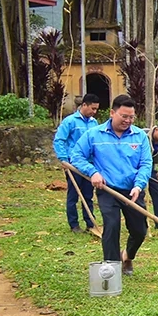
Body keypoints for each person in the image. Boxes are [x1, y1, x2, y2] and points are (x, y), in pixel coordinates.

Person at [70, 95, 152, 276]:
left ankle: (127, 257)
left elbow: (146, 164)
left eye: (131, 117)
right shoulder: (94, 134)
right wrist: (93, 172)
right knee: (112, 226)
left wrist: (138, 186)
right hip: (107, 190)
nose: (128, 121)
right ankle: (112, 271)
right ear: (112, 113)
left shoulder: (140, 137)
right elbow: (76, 156)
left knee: (140, 230)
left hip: (133, 191)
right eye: (124, 116)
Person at [53, 93, 100, 233]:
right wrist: (63, 159)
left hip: (89, 165)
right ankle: (74, 225)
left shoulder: (94, 123)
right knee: (73, 195)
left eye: (96, 109)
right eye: (92, 108)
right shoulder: (70, 121)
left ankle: (90, 223)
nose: (94, 112)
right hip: (73, 165)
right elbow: (59, 140)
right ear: (84, 105)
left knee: (88, 195)